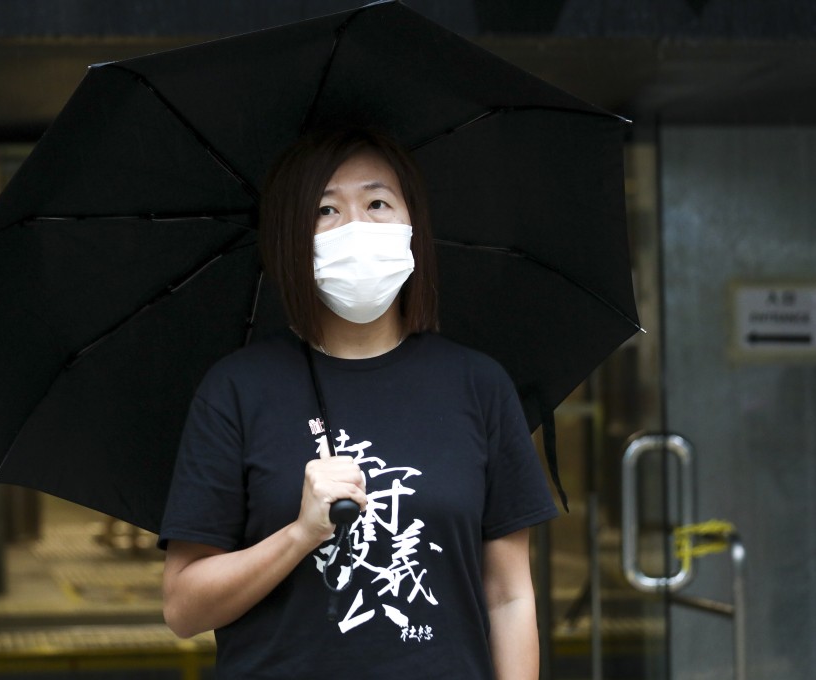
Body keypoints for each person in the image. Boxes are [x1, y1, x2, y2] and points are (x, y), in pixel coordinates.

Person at [159, 128, 558, 679]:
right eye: (326, 210)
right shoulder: (238, 389)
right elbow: (183, 608)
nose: (356, 228)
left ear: (411, 225)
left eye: (377, 203)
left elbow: (509, 595)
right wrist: (301, 534)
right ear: (291, 238)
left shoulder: (478, 385)